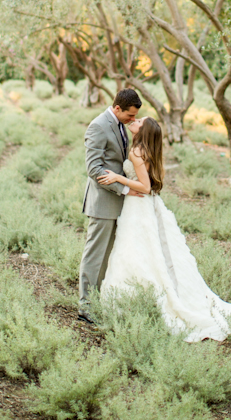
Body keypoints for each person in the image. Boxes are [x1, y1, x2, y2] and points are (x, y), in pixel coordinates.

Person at [98, 115, 231, 342]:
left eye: (139, 120)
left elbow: (145, 187)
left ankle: (133, 298)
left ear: (143, 130)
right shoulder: (145, 150)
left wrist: (119, 178)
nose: (135, 120)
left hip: (138, 205)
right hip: (143, 206)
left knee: (134, 250)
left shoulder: (136, 153)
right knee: (144, 251)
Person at [78, 88, 143, 324]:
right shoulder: (98, 126)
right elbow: (94, 169)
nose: (132, 120)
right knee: (95, 255)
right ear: (117, 108)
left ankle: (101, 300)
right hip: (103, 202)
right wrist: (125, 189)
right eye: (130, 116)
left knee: (109, 256)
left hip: (118, 203)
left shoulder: (120, 124)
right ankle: (86, 307)